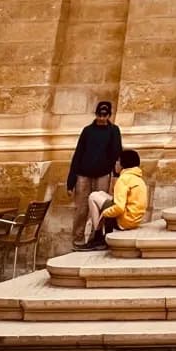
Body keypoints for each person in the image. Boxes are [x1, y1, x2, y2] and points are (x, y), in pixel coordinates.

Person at [67, 101, 122, 250]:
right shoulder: (87, 131)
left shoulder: (114, 131)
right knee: (81, 208)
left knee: (99, 207)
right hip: (83, 174)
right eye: (99, 115)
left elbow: (116, 153)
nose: (102, 118)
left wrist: (116, 174)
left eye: (105, 115)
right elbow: (78, 154)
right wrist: (71, 181)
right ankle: (77, 240)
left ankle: (95, 238)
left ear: (109, 115)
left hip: (103, 174)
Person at [85, 148, 148, 248]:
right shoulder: (138, 178)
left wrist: (104, 214)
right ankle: (100, 234)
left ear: (123, 164)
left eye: (118, 160)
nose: (115, 163)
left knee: (93, 196)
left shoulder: (123, 179)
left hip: (124, 221)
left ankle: (98, 235)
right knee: (100, 193)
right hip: (134, 220)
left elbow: (119, 207)